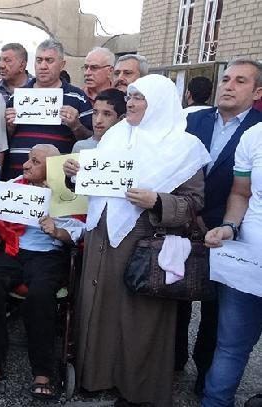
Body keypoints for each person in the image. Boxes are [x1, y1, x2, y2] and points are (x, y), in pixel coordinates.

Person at [66, 74, 211, 406]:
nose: (130, 102)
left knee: (138, 319)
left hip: (145, 242)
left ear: (158, 103)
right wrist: (76, 176)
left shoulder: (184, 147)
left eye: (139, 97)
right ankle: (97, 376)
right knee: (99, 308)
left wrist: (157, 201)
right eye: (130, 96)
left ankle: (137, 389)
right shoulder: (116, 134)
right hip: (102, 238)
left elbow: (194, 203)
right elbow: (97, 184)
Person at [0, 144, 84, 400]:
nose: (25, 165)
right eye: (28, 159)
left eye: (35, 162)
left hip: (48, 255)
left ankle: (42, 371)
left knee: (41, 294)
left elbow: (79, 233)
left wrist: (57, 231)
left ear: (52, 169)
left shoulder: (66, 194)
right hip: (14, 250)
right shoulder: (14, 186)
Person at [180, 58, 262, 396]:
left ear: (257, 92)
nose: (228, 86)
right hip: (185, 223)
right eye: (226, 78)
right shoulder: (192, 120)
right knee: (175, 295)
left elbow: (242, 191)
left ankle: (205, 373)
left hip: (230, 232)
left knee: (218, 312)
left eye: (240, 81)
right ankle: (173, 359)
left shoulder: (257, 131)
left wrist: (228, 224)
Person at [202, 121, 262, 407]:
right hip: (249, 262)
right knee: (231, 346)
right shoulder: (254, 136)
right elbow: (240, 193)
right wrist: (229, 227)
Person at [4, 38, 92, 179]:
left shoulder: (78, 97)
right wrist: (10, 127)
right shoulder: (17, 97)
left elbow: (91, 141)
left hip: (57, 180)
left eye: (49, 60)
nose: (43, 66)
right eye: (39, 60)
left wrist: (76, 126)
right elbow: (2, 142)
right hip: (17, 179)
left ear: (62, 65)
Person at [72, 88, 126, 152]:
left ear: (121, 119)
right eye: (95, 113)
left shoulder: (129, 147)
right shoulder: (81, 148)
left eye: (107, 114)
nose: (98, 120)